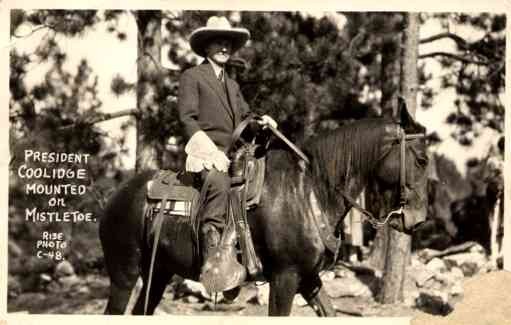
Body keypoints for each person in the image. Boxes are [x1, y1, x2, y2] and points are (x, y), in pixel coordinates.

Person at [177, 16, 276, 291]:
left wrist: (262, 122)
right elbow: (187, 119)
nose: (224, 47)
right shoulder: (192, 77)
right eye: (218, 42)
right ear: (206, 47)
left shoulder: (232, 85)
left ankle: (256, 255)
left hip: (235, 154)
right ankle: (214, 263)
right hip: (206, 153)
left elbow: (245, 117)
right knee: (220, 183)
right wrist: (209, 151)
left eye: (228, 43)